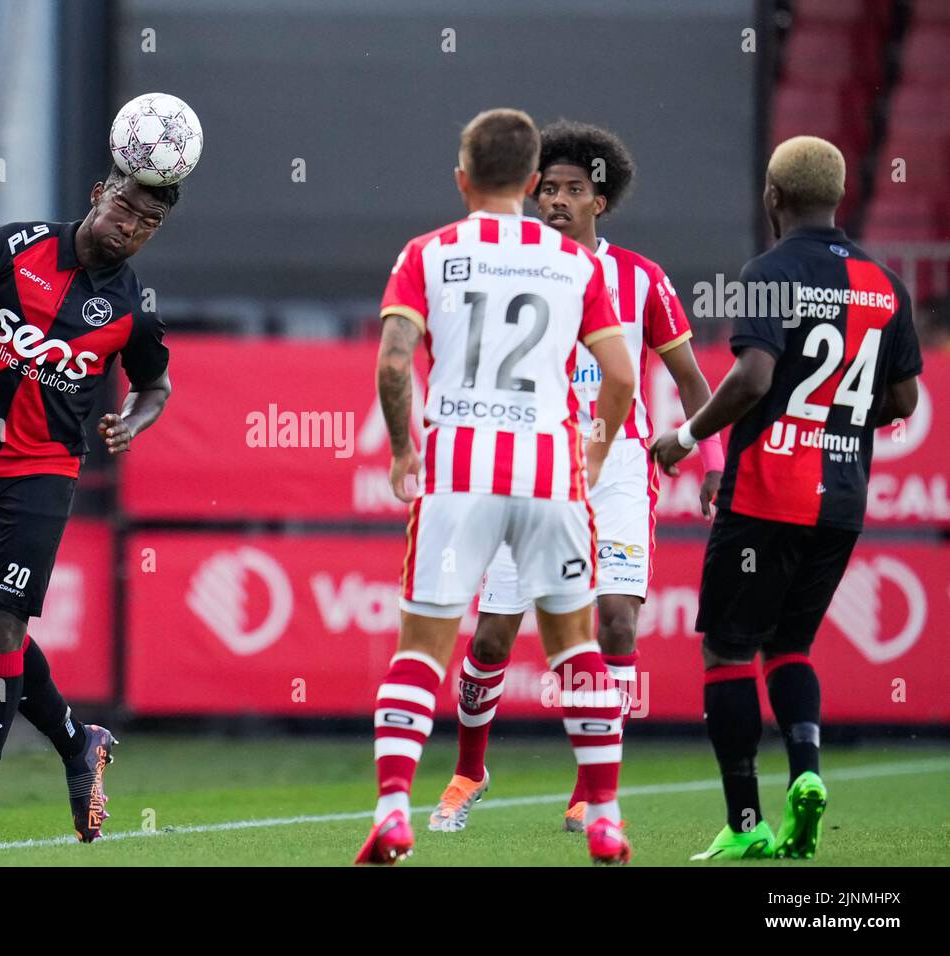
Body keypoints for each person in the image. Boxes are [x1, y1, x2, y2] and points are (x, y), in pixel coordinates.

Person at [357, 108, 636, 865]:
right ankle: (605, 816)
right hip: (549, 471)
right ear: (529, 181)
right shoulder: (578, 265)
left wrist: (402, 451)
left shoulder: (428, 252)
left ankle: (391, 812)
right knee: (575, 646)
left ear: (463, 178)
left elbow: (391, 362)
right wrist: (595, 459)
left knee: (421, 650)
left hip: (457, 475)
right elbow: (620, 375)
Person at [430, 121, 722, 835]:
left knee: (617, 621)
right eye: (547, 189)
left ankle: (596, 792)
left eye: (573, 190)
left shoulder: (641, 279)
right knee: (496, 636)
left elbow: (690, 379)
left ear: (601, 200)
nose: (556, 201)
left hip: (616, 466)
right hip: (529, 463)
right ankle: (470, 768)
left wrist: (710, 458)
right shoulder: (513, 269)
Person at [0, 166, 177, 845]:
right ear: (97, 194)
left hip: (42, 474)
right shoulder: (11, 247)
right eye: (124, 208)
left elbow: (156, 384)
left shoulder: (133, 312)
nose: (129, 227)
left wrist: (133, 422)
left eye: (147, 223)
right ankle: (79, 742)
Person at [651, 136, 922, 860]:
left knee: (727, 648)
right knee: (792, 645)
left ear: (773, 198)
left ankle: (748, 826)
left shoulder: (768, 274)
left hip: (769, 492)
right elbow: (905, 399)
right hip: (841, 502)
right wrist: (840, 419)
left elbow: (751, 379)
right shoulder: (884, 282)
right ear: (838, 198)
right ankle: (807, 773)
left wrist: (682, 438)